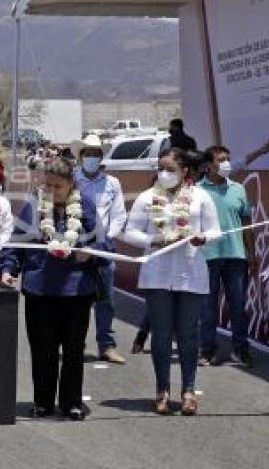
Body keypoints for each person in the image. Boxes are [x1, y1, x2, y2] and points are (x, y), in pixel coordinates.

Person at [0, 158, 105, 422]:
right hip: (40, 291)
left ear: (71, 185)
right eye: (47, 185)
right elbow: (15, 243)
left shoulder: (86, 207)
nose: (51, 191)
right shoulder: (33, 206)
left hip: (76, 292)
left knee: (73, 350)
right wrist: (7, 269)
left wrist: (88, 255)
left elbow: (105, 246)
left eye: (57, 186)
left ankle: (72, 403)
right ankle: (43, 401)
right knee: (43, 349)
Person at [124, 148, 220, 416]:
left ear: (184, 171)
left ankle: (188, 390)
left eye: (169, 168)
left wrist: (204, 238)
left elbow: (216, 231)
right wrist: (154, 240)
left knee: (189, 334)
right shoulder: (147, 197)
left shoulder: (201, 197)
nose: (163, 173)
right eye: (160, 167)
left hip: (191, 272)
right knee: (162, 334)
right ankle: (161, 390)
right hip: (157, 274)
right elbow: (130, 232)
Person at [72, 134, 128, 365]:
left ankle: (106, 345)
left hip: (104, 249)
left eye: (96, 154)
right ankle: (75, 343)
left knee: (106, 299)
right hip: (77, 247)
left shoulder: (112, 183)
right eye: (88, 154)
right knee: (76, 298)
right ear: (81, 157)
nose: (92, 158)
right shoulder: (72, 180)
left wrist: (105, 240)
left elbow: (119, 215)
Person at [198, 146, 255, 367]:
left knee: (238, 305)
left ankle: (241, 349)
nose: (226, 164)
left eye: (228, 159)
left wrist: (250, 252)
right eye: (221, 160)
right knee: (208, 306)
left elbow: (247, 223)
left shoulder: (238, 189)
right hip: (207, 256)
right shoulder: (198, 191)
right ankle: (208, 350)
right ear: (208, 165)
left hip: (236, 256)